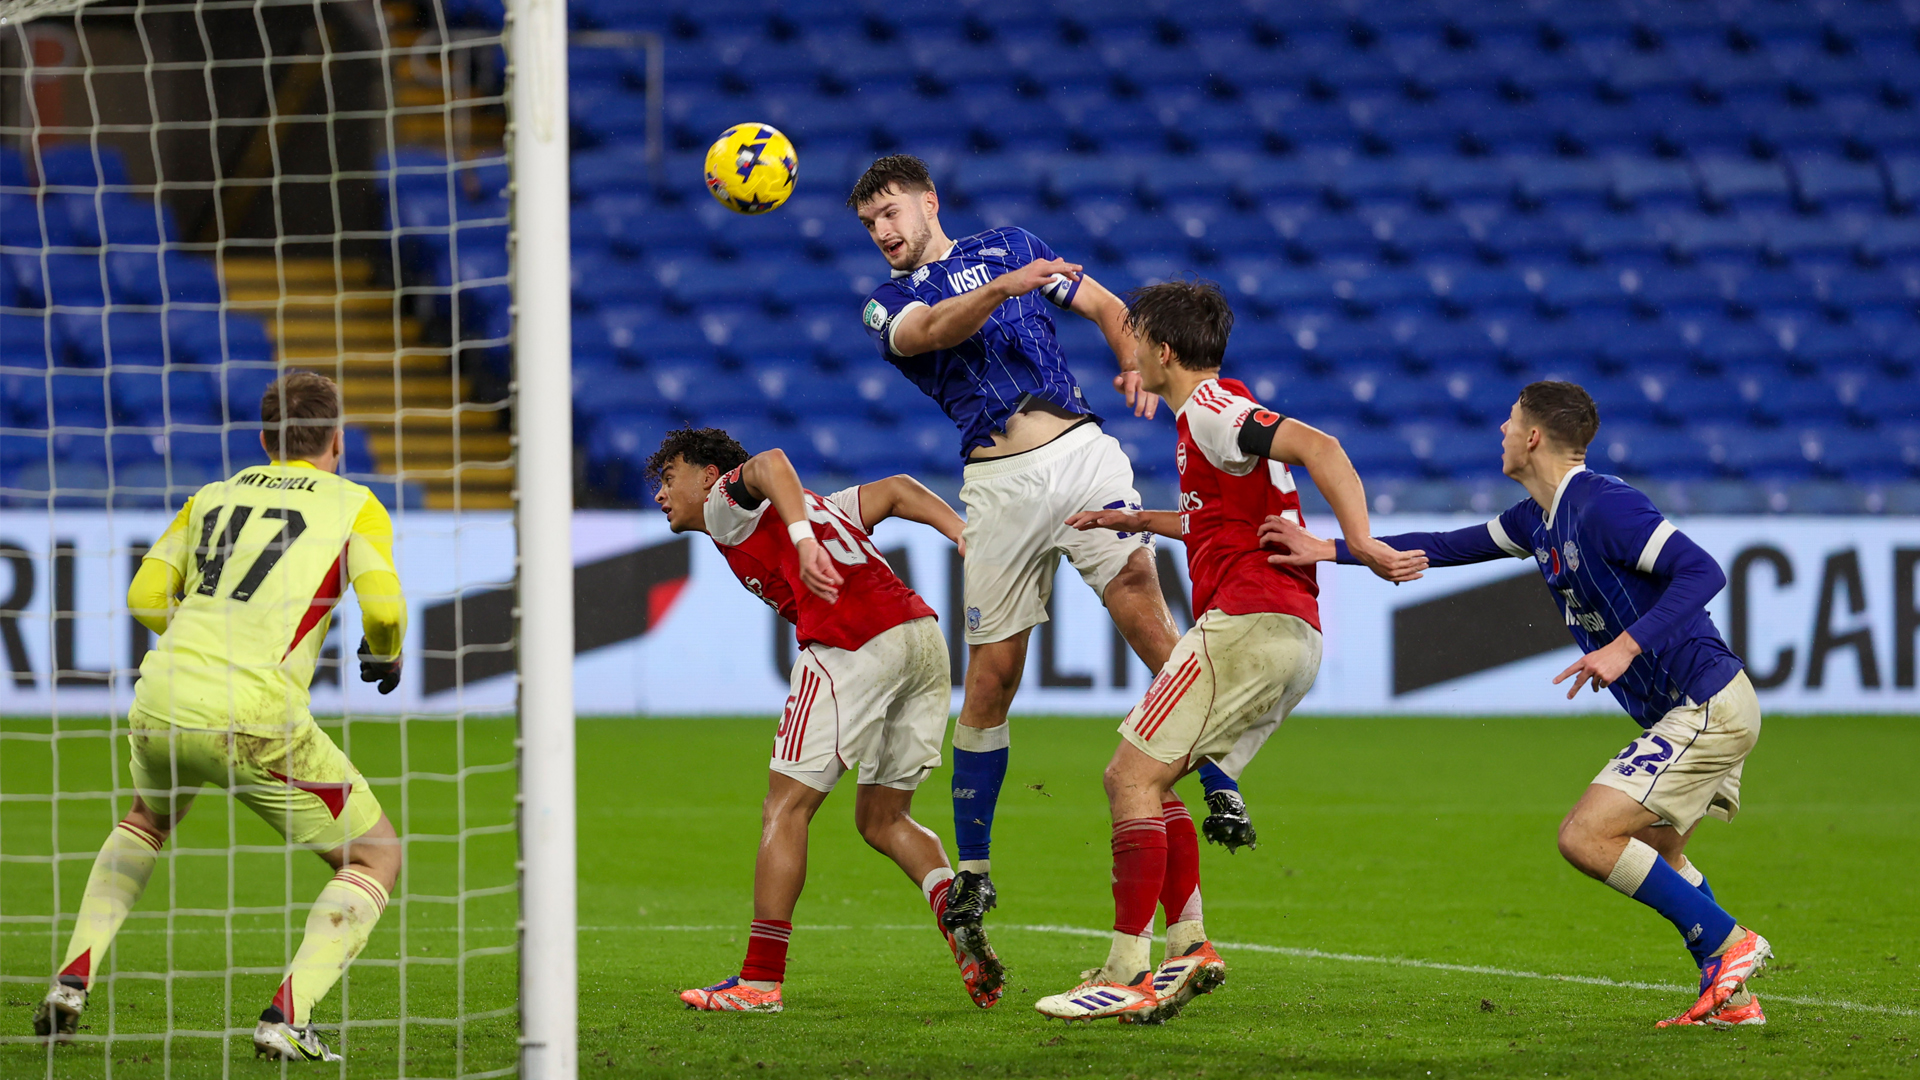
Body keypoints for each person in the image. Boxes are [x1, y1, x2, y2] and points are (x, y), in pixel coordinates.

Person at [1264, 380, 1772, 1029]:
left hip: (1705, 703)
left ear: (1533, 436)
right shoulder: (1538, 519)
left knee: (1586, 836)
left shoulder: (1603, 505)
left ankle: (1732, 945)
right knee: (1658, 850)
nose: (1499, 433)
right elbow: (1448, 545)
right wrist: (1332, 549)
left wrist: (1624, 646)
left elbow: (1702, 571)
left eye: (1508, 422)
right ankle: (1732, 998)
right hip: (1691, 710)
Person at [847, 154, 1257, 934]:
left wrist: (1126, 357)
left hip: (1080, 454)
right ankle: (975, 871)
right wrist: (1002, 289)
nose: (884, 233)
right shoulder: (884, 305)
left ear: (930, 202)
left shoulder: (1010, 244)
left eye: (893, 213)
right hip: (997, 485)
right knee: (993, 679)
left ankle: (1219, 781)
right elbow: (932, 330)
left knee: (1143, 607)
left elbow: (1108, 305)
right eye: (871, 225)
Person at [1038, 280, 1424, 1022]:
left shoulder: (1213, 410)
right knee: (1158, 782)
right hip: (1289, 636)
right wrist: (1133, 518)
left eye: (1136, 336)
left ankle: (1125, 971)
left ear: (1164, 351)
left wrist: (1358, 544)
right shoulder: (1209, 421)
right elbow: (1215, 520)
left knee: (1128, 778)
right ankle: (1187, 949)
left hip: (1248, 624)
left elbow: (1324, 447)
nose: (1130, 349)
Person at [34, 371, 407, 1061]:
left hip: (163, 696)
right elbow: (382, 609)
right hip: (255, 717)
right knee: (376, 854)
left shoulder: (209, 496)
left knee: (147, 818)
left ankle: (72, 979)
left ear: (265, 440)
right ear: (336, 439)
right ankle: (286, 1018)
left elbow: (147, 596)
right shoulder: (355, 504)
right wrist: (386, 655)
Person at [650, 427, 1003, 1013]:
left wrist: (801, 541)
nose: (661, 495)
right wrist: (957, 529)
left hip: (851, 643)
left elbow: (769, 462)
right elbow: (893, 490)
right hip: (921, 639)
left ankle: (760, 981)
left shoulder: (728, 504)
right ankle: (956, 918)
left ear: (709, 476)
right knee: (884, 819)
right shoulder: (818, 505)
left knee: (785, 807)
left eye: (668, 479)